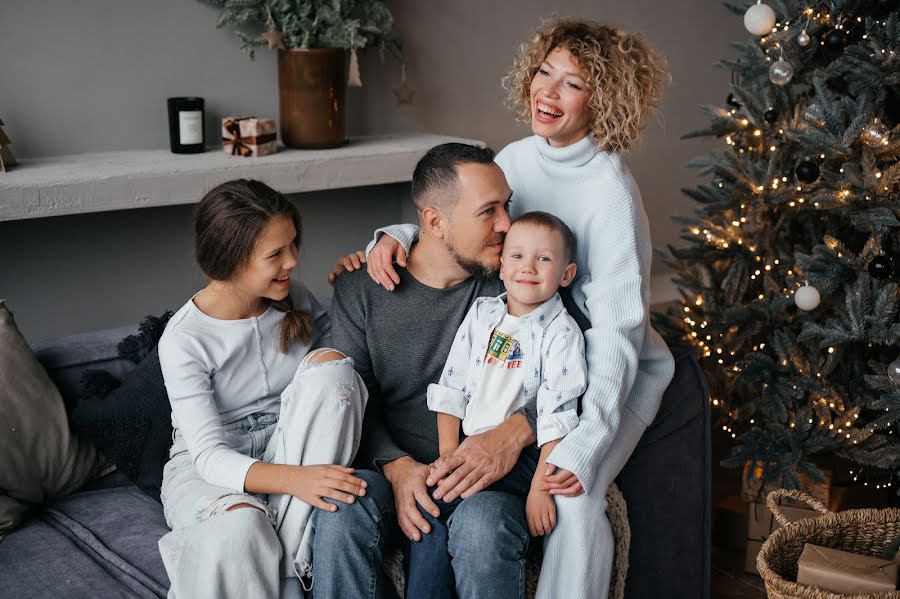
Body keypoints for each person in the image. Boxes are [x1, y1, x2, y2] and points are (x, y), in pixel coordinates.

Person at [347, 17, 676, 599]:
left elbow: (618, 336)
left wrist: (578, 442)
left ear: (605, 100)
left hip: (606, 373)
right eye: (545, 72)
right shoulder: (519, 159)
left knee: (574, 498)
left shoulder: (611, 194)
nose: (548, 92)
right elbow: (469, 218)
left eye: (572, 84)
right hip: (528, 342)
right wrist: (395, 235)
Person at [314, 143, 539, 599]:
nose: (506, 224)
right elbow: (354, 402)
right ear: (435, 222)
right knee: (340, 513)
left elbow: (575, 370)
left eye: (507, 205)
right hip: (392, 464)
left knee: (482, 529)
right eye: (488, 211)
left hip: (485, 474)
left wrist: (515, 433)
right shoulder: (363, 288)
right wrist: (398, 469)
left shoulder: (518, 280)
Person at [156, 179, 369, 599]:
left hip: (291, 442)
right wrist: (298, 481)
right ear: (231, 261)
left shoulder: (296, 297)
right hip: (212, 468)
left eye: (293, 245)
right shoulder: (184, 339)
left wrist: (353, 283)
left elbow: (348, 367)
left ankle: (285, 573)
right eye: (275, 254)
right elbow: (210, 457)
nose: (292, 261)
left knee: (333, 371)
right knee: (240, 526)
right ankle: (287, 576)